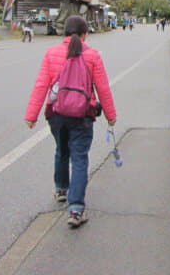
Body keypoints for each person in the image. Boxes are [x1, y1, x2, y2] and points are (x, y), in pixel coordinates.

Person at [24, 15, 117, 228]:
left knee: (61, 150)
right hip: (82, 115)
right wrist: (111, 115)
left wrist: (31, 115)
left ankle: (61, 189)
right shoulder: (92, 56)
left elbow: (41, 85)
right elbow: (102, 88)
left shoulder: (51, 53)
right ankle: (76, 209)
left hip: (56, 114)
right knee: (80, 158)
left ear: (64, 32)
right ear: (84, 34)